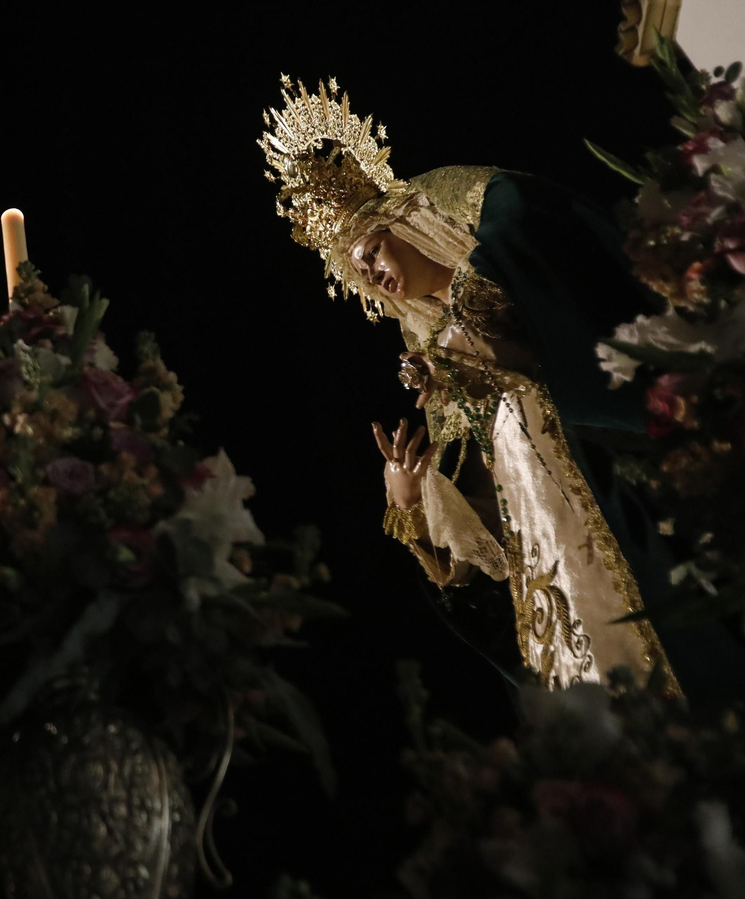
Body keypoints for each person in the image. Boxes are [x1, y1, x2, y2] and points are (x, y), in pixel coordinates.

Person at [259, 76, 743, 701]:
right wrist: (414, 504)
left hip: (616, 499)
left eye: (373, 251)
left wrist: (476, 325)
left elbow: (528, 219)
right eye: (360, 276)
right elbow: (487, 534)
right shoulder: (436, 361)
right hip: (563, 568)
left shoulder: (497, 257)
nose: (374, 277)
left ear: (411, 223)